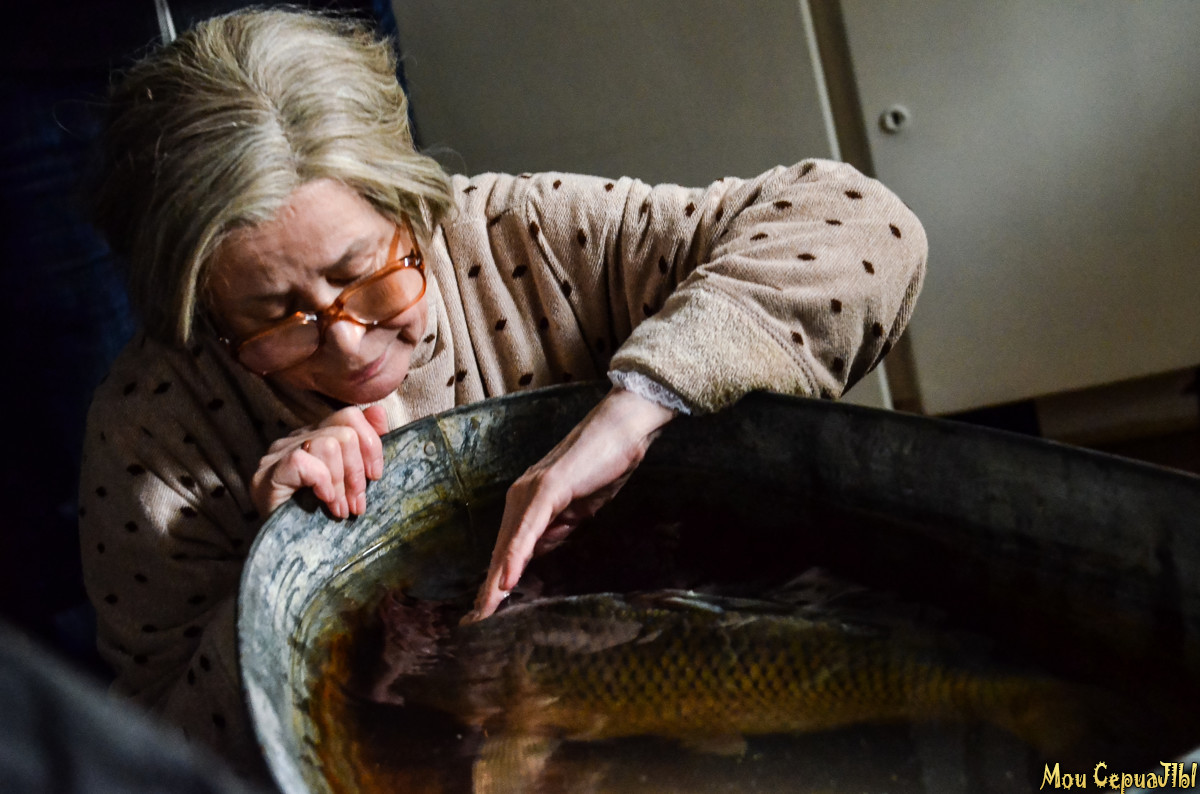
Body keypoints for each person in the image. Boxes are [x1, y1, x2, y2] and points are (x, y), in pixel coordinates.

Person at [78, 7, 927, 779]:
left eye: (364, 274)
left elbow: (866, 225)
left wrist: (640, 403)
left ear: (413, 205)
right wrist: (286, 571)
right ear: (202, 310)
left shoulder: (522, 239)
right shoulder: (152, 432)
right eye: (274, 316)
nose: (345, 344)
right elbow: (155, 748)